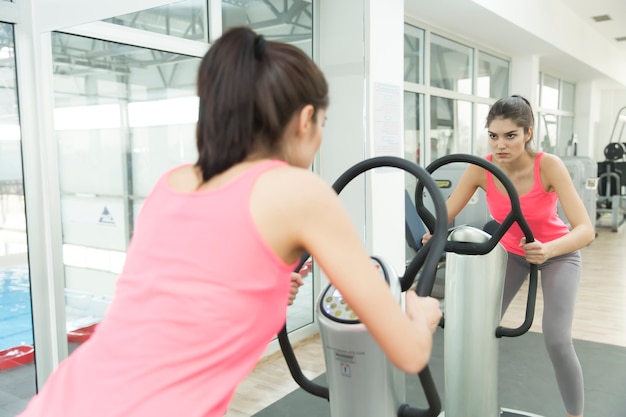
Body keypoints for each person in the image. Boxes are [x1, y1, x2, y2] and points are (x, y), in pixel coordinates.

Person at [18, 26, 442, 417]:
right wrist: (420, 315)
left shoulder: (174, 182)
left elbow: (180, 303)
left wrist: (271, 290)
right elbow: (406, 353)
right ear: (305, 120)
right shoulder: (300, 191)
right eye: (323, 125)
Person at [424, 95, 594, 417]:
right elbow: (446, 215)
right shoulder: (481, 169)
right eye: (493, 135)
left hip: (558, 253)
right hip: (512, 254)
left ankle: (576, 415)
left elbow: (585, 230)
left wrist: (548, 250)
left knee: (557, 339)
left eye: (510, 136)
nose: (500, 145)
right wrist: (435, 233)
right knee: (477, 328)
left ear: (528, 133)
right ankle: (478, 405)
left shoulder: (549, 165)